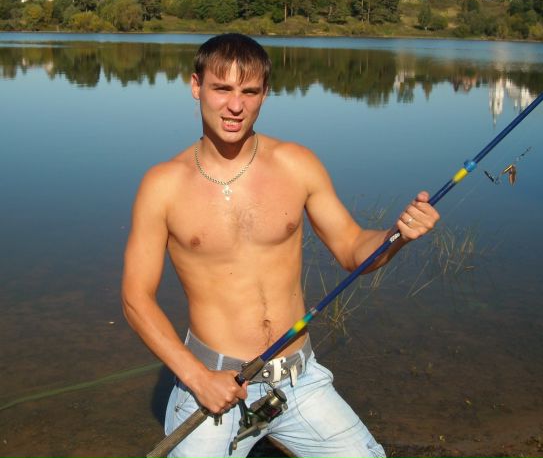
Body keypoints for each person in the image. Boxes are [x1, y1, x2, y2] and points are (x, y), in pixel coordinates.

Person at [122, 33, 440, 458]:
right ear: (196, 86)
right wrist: (196, 377)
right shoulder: (162, 185)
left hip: (298, 379)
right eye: (222, 89)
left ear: (265, 94)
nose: (235, 106)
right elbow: (136, 298)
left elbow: (352, 248)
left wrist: (396, 235)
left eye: (250, 92)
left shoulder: (296, 164)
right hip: (212, 384)